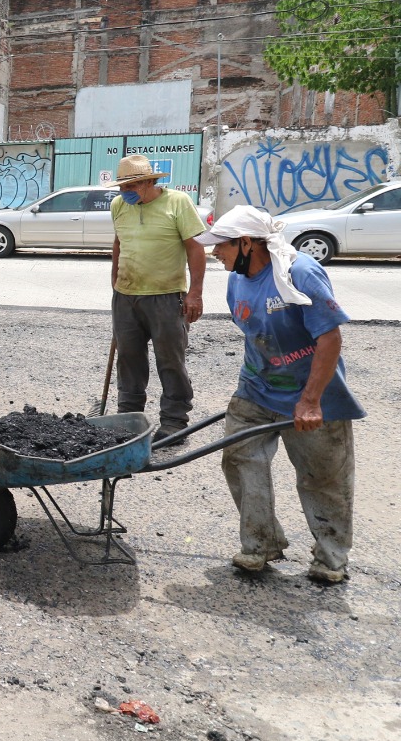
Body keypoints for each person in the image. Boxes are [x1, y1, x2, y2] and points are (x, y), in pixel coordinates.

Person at [195, 206, 364, 584]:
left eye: (220, 246)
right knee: (240, 460)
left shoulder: (299, 273)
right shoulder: (238, 277)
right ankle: (260, 544)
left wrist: (310, 400)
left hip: (312, 396)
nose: (214, 253)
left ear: (245, 242)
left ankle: (331, 558)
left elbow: (329, 337)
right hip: (256, 389)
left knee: (322, 478)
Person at [108, 154, 207, 441]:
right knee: (128, 359)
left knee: (170, 360)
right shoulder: (118, 206)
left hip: (166, 296)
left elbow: (195, 248)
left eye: (132, 186)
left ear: (150, 182)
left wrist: (195, 293)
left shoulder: (177, 202)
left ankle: (175, 422)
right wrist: (115, 279)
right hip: (126, 297)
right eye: (122, 187)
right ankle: (128, 418)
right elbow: (118, 242)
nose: (125, 192)